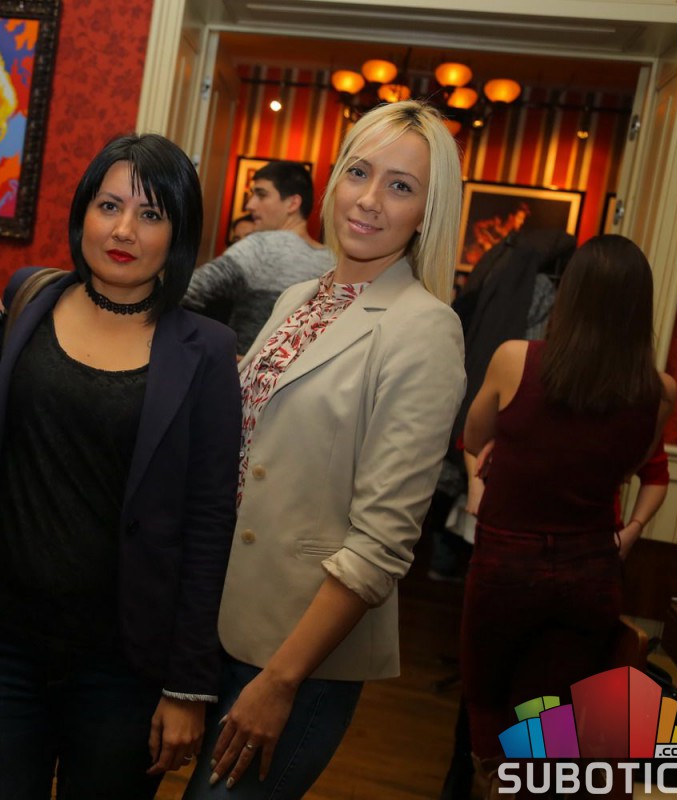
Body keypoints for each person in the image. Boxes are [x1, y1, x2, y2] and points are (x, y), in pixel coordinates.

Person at [0, 133, 243, 800]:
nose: (124, 230)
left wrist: (188, 686)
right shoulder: (27, 298)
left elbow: (209, 524)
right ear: (83, 212)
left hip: (124, 665)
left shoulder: (206, 351)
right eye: (109, 206)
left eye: (151, 214)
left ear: (178, 234)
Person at [183, 100, 466, 799]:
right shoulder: (300, 298)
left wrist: (282, 679)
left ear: (428, 212)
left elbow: (383, 542)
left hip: (299, 653)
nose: (369, 200)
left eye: (401, 186)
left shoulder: (425, 329)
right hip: (224, 620)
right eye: (359, 173)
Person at [459, 234, 675, 797]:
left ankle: (493, 781)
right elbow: (632, 466)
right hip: (591, 569)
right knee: (550, 716)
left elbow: (474, 438)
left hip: (508, 562)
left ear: (570, 293)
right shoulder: (659, 391)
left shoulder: (515, 359)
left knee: (488, 702)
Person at [182, 160, 333, 355]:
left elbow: (185, 291)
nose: (250, 205)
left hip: (242, 372)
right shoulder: (334, 262)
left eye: (261, 195)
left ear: (293, 203)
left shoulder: (262, 246)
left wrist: (203, 348)